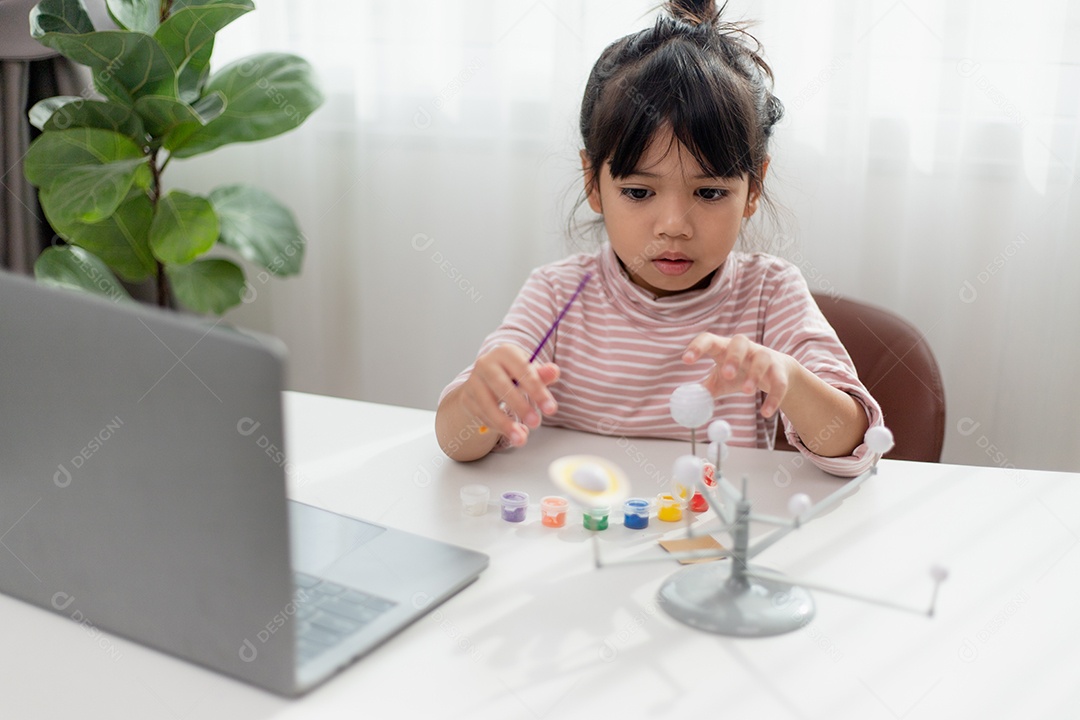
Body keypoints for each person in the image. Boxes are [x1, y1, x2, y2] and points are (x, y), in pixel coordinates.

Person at [435, 0, 882, 477]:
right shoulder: (558, 294)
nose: (674, 225)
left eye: (709, 191)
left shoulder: (769, 294)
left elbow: (853, 447)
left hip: (702, 534)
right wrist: (478, 405)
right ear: (593, 183)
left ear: (754, 188)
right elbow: (459, 443)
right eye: (639, 191)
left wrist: (790, 379)